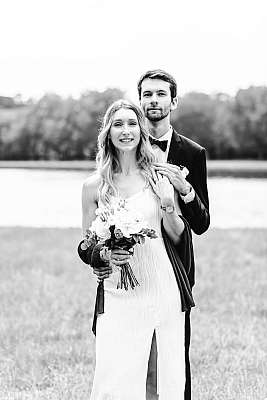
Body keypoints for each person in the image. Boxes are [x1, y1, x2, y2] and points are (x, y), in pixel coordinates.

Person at [78, 99, 195, 399]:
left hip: (160, 285)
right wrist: (103, 255)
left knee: (161, 375)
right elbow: (86, 244)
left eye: (132, 124)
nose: (125, 130)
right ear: (108, 133)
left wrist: (168, 203)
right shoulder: (94, 186)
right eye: (118, 124)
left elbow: (178, 236)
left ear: (141, 131)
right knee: (115, 373)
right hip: (117, 291)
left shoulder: (158, 177)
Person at [137, 69, 210, 399]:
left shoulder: (193, 154)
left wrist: (186, 189)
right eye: (147, 94)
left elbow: (202, 223)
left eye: (160, 94)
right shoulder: (127, 147)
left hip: (176, 267)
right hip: (135, 265)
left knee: (175, 354)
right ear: (140, 101)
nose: (153, 100)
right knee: (135, 354)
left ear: (173, 101)